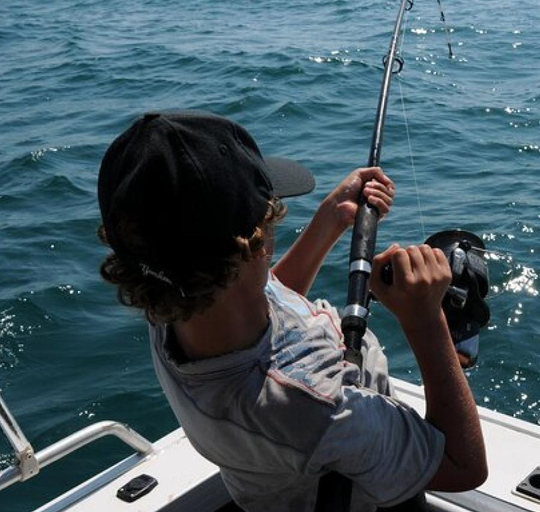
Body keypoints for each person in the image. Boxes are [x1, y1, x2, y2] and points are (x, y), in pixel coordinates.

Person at [97, 110, 487, 512]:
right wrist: (424, 321)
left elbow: (260, 300)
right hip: (365, 488)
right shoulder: (315, 409)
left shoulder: (169, 299)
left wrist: (331, 220)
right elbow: (463, 467)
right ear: (251, 247)